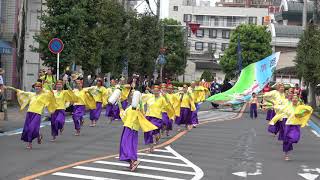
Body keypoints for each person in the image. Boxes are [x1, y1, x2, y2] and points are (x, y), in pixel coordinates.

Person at [6, 82, 57, 149]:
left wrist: (47, 87)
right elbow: (20, 91)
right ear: (34, 88)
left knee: (31, 128)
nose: (37, 87)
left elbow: (51, 94)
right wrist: (9, 88)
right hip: (29, 113)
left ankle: (36, 137)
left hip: (37, 114)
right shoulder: (31, 94)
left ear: (41, 88)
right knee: (27, 129)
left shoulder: (44, 95)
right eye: (36, 86)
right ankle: (32, 141)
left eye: (39, 86)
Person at [119, 90, 157, 171]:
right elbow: (124, 117)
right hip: (128, 126)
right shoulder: (131, 106)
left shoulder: (137, 107)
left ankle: (134, 161)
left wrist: (139, 102)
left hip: (131, 128)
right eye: (131, 94)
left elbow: (138, 116)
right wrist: (120, 106)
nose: (131, 96)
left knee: (127, 145)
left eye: (133, 95)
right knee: (127, 145)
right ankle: (131, 163)